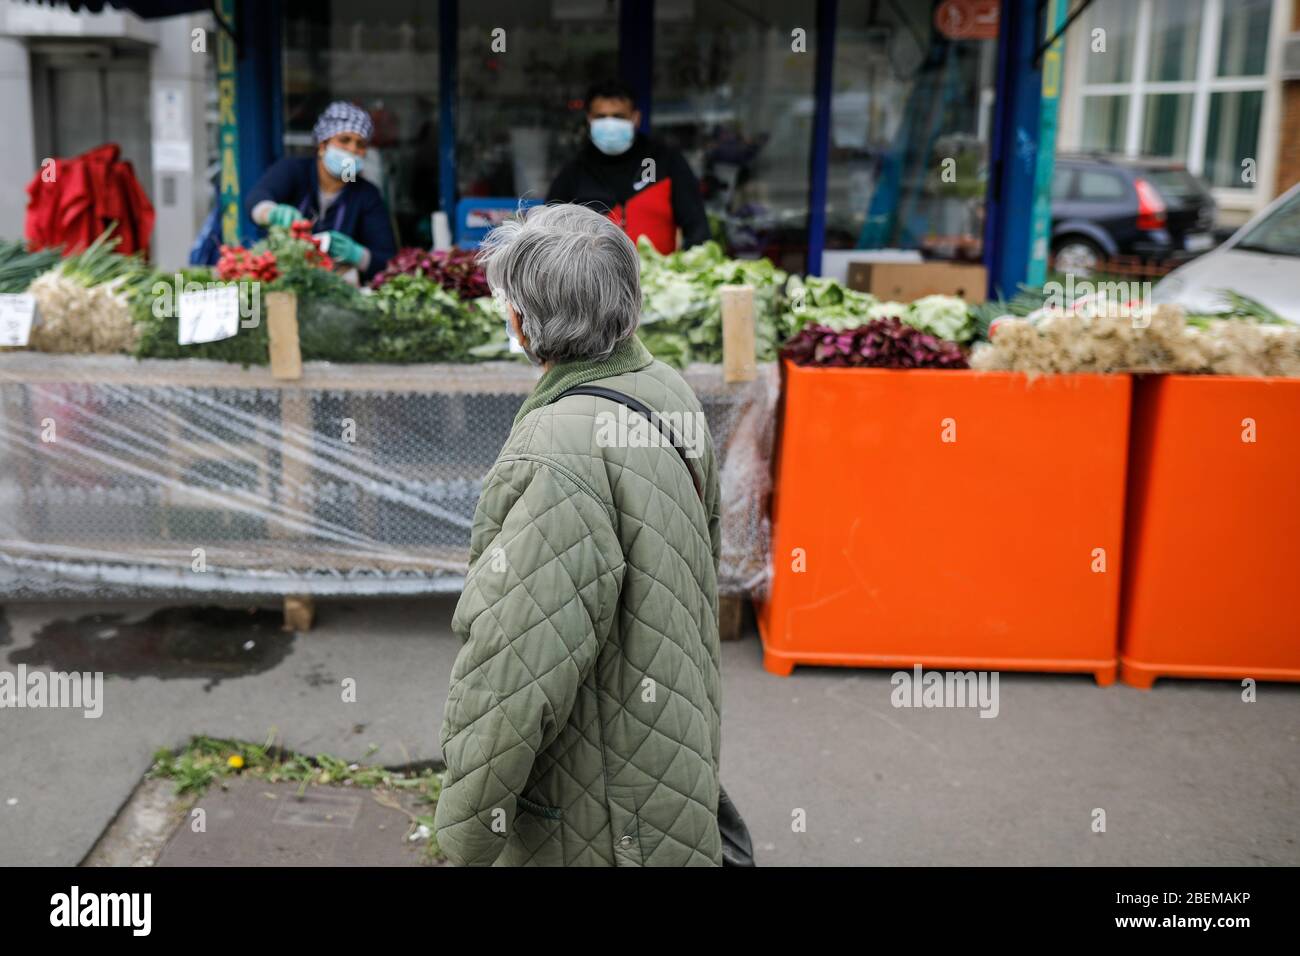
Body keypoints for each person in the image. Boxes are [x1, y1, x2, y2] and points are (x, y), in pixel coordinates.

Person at [434, 203, 724, 867]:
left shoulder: (557, 447)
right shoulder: (667, 390)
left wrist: (465, 835)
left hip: (598, 801)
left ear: (523, 321)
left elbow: (512, 671)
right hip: (671, 744)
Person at [547, 78, 710, 253]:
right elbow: (547, 232)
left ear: (635, 118)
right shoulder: (574, 170)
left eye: (618, 116)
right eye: (601, 117)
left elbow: (697, 231)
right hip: (596, 279)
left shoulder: (665, 160)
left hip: (659, 277)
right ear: (589, 119)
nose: (609, 124)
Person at [246, 101, 397, 281]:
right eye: (344, 140)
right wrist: (270, 212)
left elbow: (386, 259)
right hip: (279, 281)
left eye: (360, 144)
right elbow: (257, 198)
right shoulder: (293, 170)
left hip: (335, 289)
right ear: (323, 145)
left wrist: (358, 255)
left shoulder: (366, 194)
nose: (352, 150)